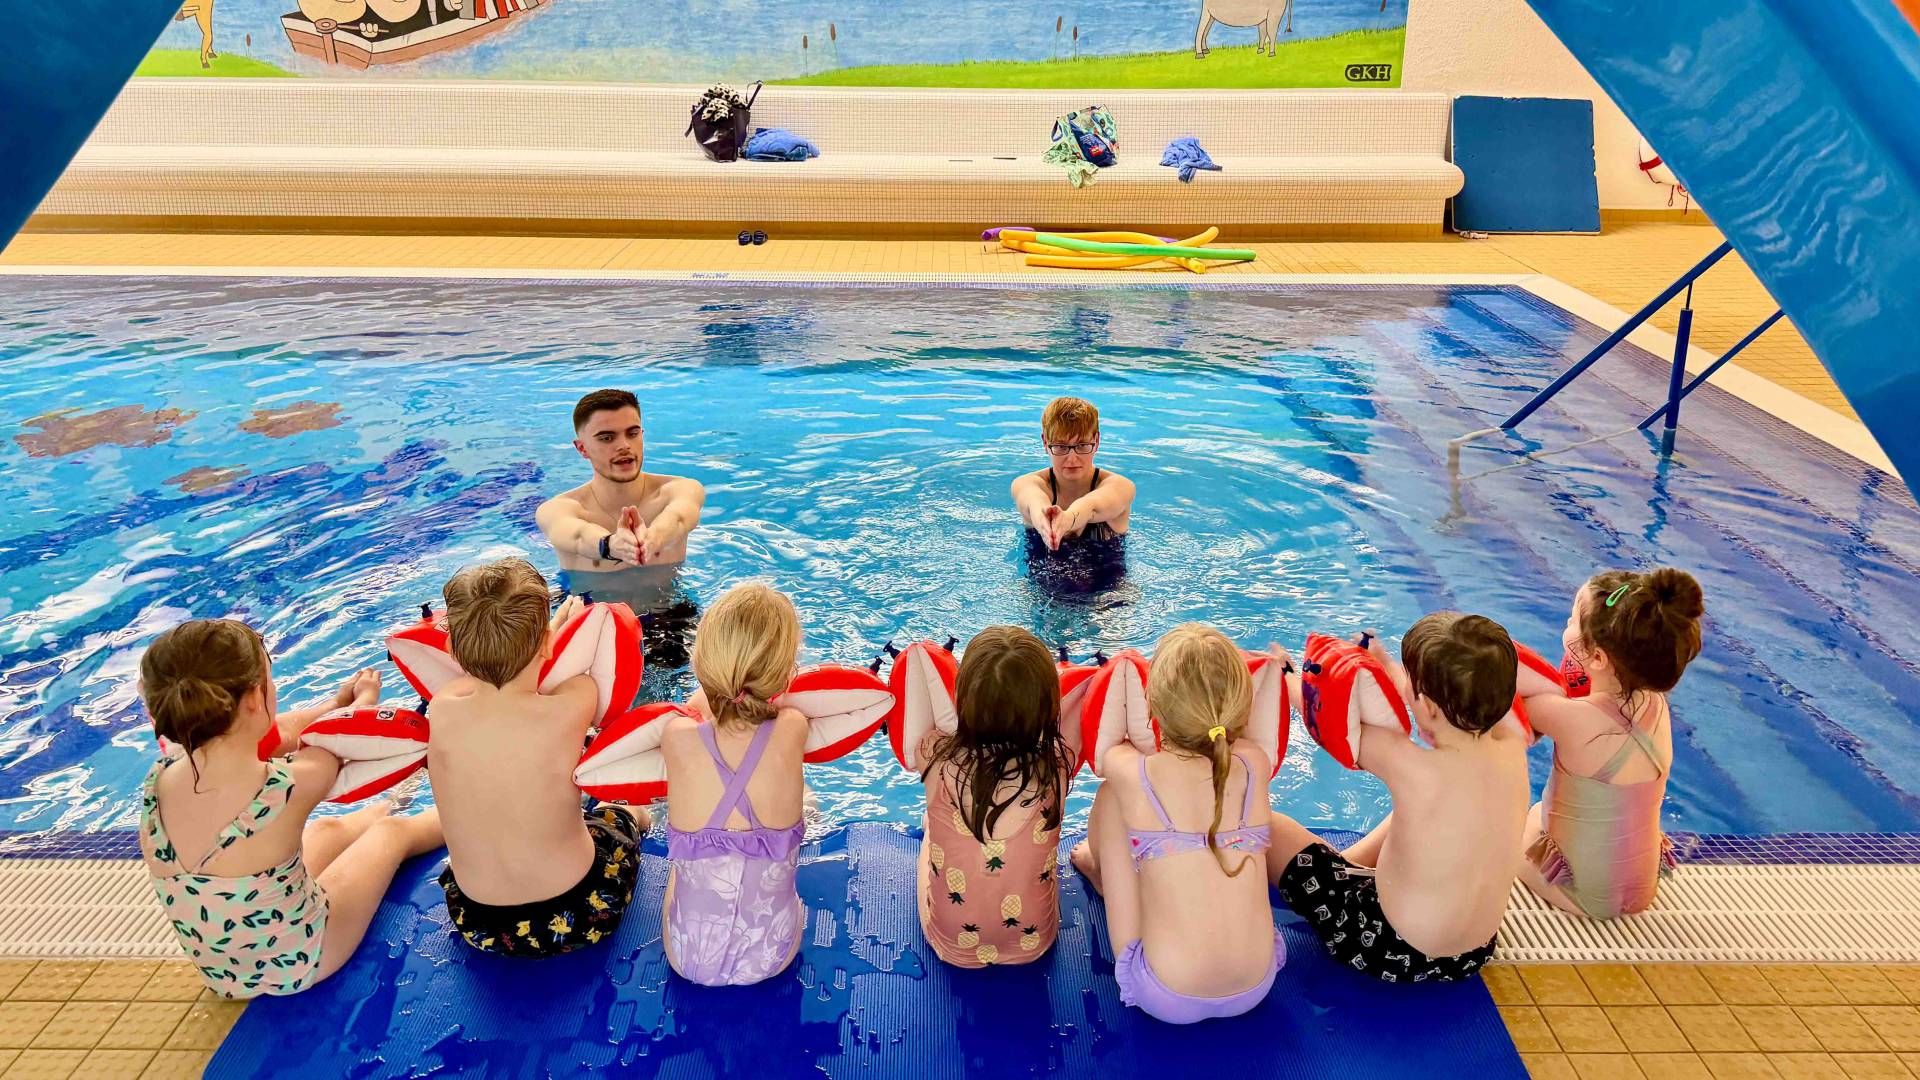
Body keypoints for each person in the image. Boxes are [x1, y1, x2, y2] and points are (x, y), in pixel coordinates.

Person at [137, 619, 443, 998]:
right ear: (253, 699)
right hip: (302, 960)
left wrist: (336, 702)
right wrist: (365, 700)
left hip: (223, 974)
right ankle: (457, 812)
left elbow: (281, 732)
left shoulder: (160, 775)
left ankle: (393, 802)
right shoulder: (284, 787)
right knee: (390, 834)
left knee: (327, 830)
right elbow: (343, 738)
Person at [1268, 613, 1530, 983]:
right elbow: (1449, 702)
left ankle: (1342, 870)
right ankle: (1350, 862)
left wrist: (1286, 675)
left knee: (1271, 827)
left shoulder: (1413, 769)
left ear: (1429, 707)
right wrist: (1387, 664)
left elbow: (1330, 719)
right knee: (1429, 813)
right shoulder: (1514, 746)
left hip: (1387, 949)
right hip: (1473, 954)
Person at [429, 558, 645, 957]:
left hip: (478, 921)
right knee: (620, 811)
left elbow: (484, 690)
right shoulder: (570, 706)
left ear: (450, 649)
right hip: (579, 911)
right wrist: (562, 633)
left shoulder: (441, 710)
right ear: (548, 643)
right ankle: (638, 815)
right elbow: (578, 677)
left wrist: (540, 639)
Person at [1070, 624, 1283, 1024]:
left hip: (1166, 995)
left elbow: (1105, 755)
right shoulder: (1255, 763)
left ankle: (1097, 870)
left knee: (1112, 797)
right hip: (1258, 983)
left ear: (1155, 710)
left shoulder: (1140, 775)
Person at [1518, 568, 1704, 918]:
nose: (1567, 625)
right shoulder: (1656, 705)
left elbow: (1515, 698)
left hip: (1585, 896)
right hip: (1644, 888)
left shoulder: (1574, 720)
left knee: (1507, 822)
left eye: (1572, 620)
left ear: (1599, 658)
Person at [662, 583, 809, 986]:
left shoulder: (676, 737)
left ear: (702, 663)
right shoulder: (794, 728)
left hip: (686, 956)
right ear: (785, 674)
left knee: (684, 864)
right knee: (804, 800)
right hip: (773, 955)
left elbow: (701, 708)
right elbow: (775, 711)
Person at [917, 626, 1076, 968]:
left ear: (962, 698)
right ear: (1048, 707)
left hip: (953, 943)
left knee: (930, 827)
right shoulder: (1058, 768)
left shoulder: (935, 759)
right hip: (1033, 942)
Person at [1011, 397, 1134, 588]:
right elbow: (1033, 503)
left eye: (1082, 446)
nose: (1072, 458)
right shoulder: (1027, 483)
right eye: (1061, 447)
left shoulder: (1119, 486)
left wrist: (1068, 518)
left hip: (1107, 595)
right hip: (1042, 592)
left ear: (1097, 440)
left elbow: (1092, 506)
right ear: (1045, 442)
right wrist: (1044, 519)